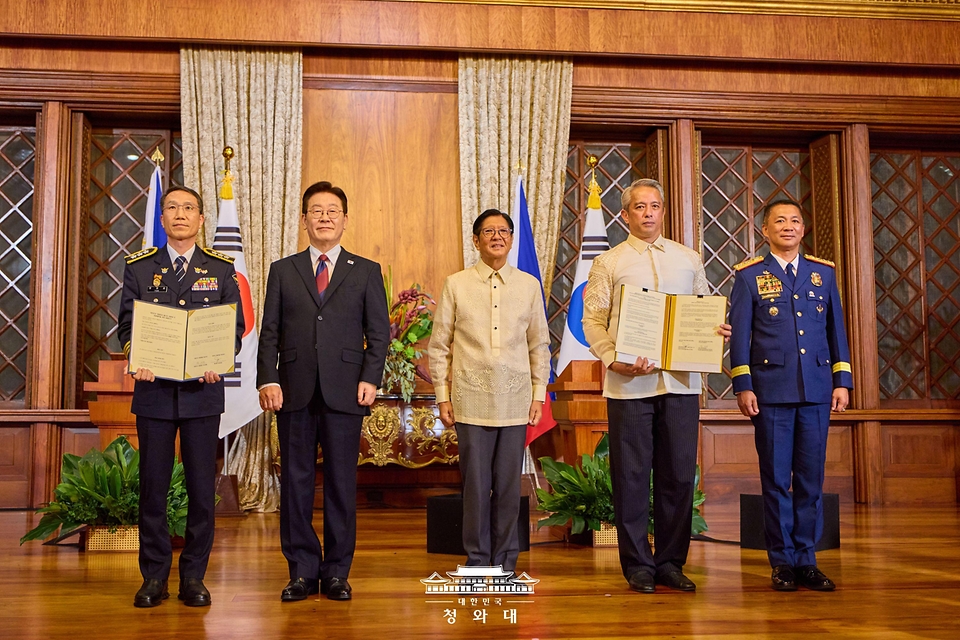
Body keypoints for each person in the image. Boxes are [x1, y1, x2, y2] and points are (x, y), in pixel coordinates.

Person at [582, 178, 730, 594]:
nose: (648, 213)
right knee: (630, 476)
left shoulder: (688, 259)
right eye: (639, 207)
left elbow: (703, 309)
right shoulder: (608, 263)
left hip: (681, 383)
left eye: (655, 206)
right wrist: (614, 359)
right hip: (630, 385)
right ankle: (637, 566)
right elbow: (591, 320)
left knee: (679, 476)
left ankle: (670, 562)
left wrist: (716, 330)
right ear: (625, 214)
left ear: (663, 212)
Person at [257, 181, 389, 602]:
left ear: (345, 220)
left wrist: (370, 377)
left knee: (339, 484)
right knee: (295, 484)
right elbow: (269, 333)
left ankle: (336, 572)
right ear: (304, 219)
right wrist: (268, 378)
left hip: (346, 392)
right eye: (317, 210)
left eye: (333, 211)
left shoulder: (366, 270)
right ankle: (301, 570)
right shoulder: (283, 269)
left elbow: (379, 334)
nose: (325, 217)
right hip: (292, 391)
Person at [118, 186, 244, 608]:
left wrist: (219, 358)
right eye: (171, 208)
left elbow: (235, 331)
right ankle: (153, 578)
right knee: (152, 489)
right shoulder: (139, 267)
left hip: (202, 395)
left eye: (188, 208)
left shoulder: (221, 269)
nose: (179, 214)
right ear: (162, 218)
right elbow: (126, 327)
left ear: (201, 219)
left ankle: (193, 577)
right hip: (154, 393)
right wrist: (138, 355)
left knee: (199, 489)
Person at [729, 198, 852, 592]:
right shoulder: (749, 277)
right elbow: (741, 338)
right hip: (771, 393)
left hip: (817, 391)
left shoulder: (823, 275)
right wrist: (744, 385)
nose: (788, 226)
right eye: (779, 221)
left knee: (812, 481)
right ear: (765, 231)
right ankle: (781, 562)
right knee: (777, 480)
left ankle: (807, 560)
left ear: (803, 229)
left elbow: (837, 332)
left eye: (795, 220)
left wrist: (842, 381)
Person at [428, 209, 551, 573]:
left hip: (516, 400)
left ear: (512, 239)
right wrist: (442, 394)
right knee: (477, 486)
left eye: (503, 231)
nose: (496, 237)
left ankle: (507, 560)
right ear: (476, 240)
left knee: (509, 486)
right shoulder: (456, 283)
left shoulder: (528, 285)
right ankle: (478, 558)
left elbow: (539, 345)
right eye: (488, 231)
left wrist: (539, 395)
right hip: (469, 399)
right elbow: (438, 346)